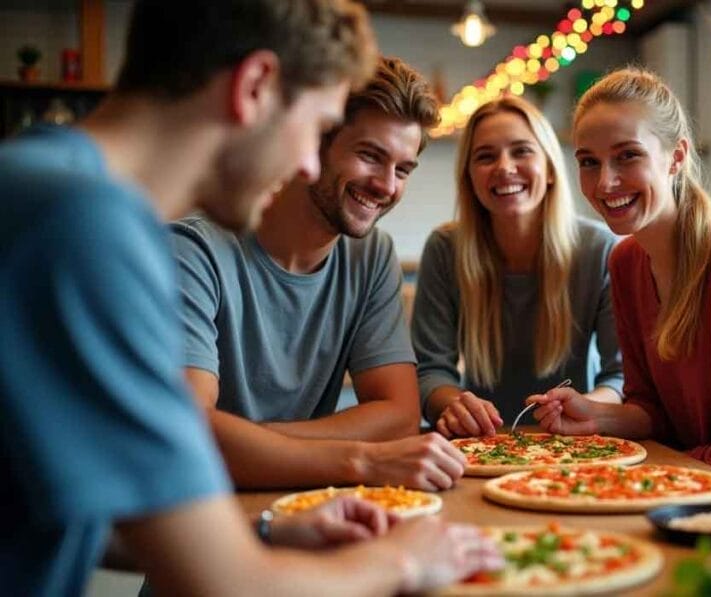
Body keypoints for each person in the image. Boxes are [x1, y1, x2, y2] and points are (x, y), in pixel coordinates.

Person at [0, 1, 500, 595]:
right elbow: (229, 583)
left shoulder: (39, 184)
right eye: (314, 129)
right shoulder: (88, 222)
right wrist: (404, 560)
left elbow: (52, 515)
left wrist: (270, 529)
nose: (308, 163)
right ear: (255, 86)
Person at [174, 55, 466, 491]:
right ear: (311, 145)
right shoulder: (193, 250)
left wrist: (252, 443)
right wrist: (360, 460)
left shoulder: (370, 253)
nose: (386, 185)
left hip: (318, 506)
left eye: (403, 169)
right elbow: (187, 436)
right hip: (206, 520)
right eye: (370, 155)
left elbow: (400, 414)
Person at [530, 68, 711, 495]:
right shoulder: (627, 261)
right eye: (589, 162)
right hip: (689, 483)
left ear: (676, 156)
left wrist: (635, 478)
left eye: (627, 155)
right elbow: (652, 409)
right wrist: (593, 414)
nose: (604, 182)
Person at [411, 96, 624, 437]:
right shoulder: (445, 250)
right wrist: (453, 404)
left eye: (521, 150)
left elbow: (620, 376)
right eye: (485, 156)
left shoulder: (600, 250)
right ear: (469, 177)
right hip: (479, 442)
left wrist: (587, 408)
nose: (504, 167)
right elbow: (429, 372)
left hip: (574, 445)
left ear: (551, 168)